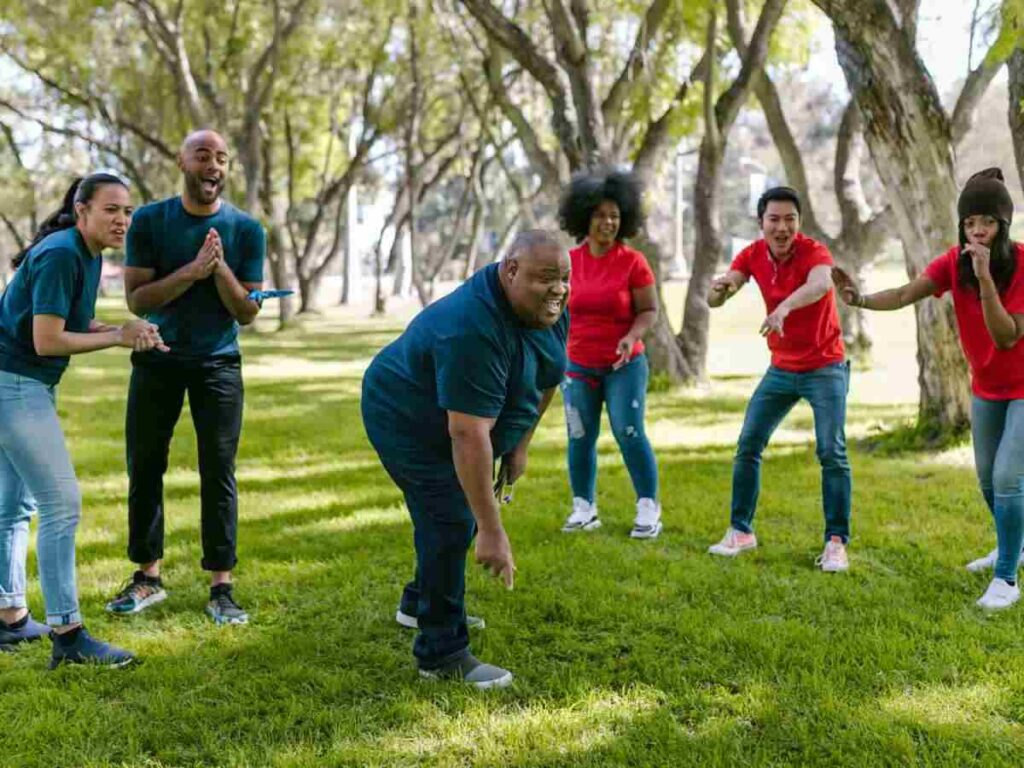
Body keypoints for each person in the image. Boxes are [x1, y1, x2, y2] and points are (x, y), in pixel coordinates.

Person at [361, 230, 569, 689]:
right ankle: (441, 653)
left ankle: (419, 603)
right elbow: (467, 433)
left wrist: (519, 444)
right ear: (511, 270)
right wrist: (492, 532)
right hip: (403, 415)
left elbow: (550, 374)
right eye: (546, 278)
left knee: (456, 514)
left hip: (453, 415)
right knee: (452, 518)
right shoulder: (472, 327)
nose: (558, 289)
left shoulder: (545, 307)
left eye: (564, 279)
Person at [833, 168, 1024, 609]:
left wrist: (985, 281)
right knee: (987, 483)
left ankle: (1007, 578)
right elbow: (903, 294)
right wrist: (859, 299)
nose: (977, 230)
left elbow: (1007, 336)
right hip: (988, 386)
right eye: (970, 221)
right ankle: (1012, 545)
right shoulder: (950, 264)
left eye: (988, 222)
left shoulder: (1021, 266)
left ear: (1003, 225)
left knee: (1009, 476)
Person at [0, 172, 167, 667]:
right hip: (14, 384)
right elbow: (46, 340)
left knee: (14, 507)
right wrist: (116, 338)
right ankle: (68, 634)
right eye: (111, 209)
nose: (123, 220)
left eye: (128, 210)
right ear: (83, 211)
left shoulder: (83, 254)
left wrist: (125, 328)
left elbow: (71, 323)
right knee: (61, 504)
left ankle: (9, 616)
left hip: (17, 383)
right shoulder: (61, 254)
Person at [105, 130, 266, 625]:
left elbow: (247, 313)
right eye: (203, 155)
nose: (213, 164)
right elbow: (138, 299)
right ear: (182, 161)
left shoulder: (246, 229)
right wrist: (192, 271)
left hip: (218, 364)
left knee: (218, 471)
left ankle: (221, 586)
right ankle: (147, 577)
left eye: (221, 157)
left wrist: (218, 273)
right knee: (145, 465)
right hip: (156, 356)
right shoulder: (151, 220)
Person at [706, 186, 852, 572]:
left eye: (790, 219)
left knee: (831, 451)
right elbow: (726, 289)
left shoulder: (814, 252)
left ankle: (836, 542)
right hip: (783, 369)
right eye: (774, 219)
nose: (782, 227)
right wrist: (719, 291)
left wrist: (785, 306)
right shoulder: (753, 254)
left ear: (799, 222)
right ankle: (741, 531)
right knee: (749, 444)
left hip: (826, 365)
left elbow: (822, 284)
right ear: (762, 223)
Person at [556, 170, 662, 538]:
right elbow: (553, 309)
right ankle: (584, 507)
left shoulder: (633, 262)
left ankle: (648, 506)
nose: (608, 222)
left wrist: (631, 337)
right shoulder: (568, 262)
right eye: (600, 215)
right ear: (584, 217)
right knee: (579, 435)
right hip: (578, 365)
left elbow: (649, 311)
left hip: (624, 364)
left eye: (615, 215)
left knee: (629, 431)